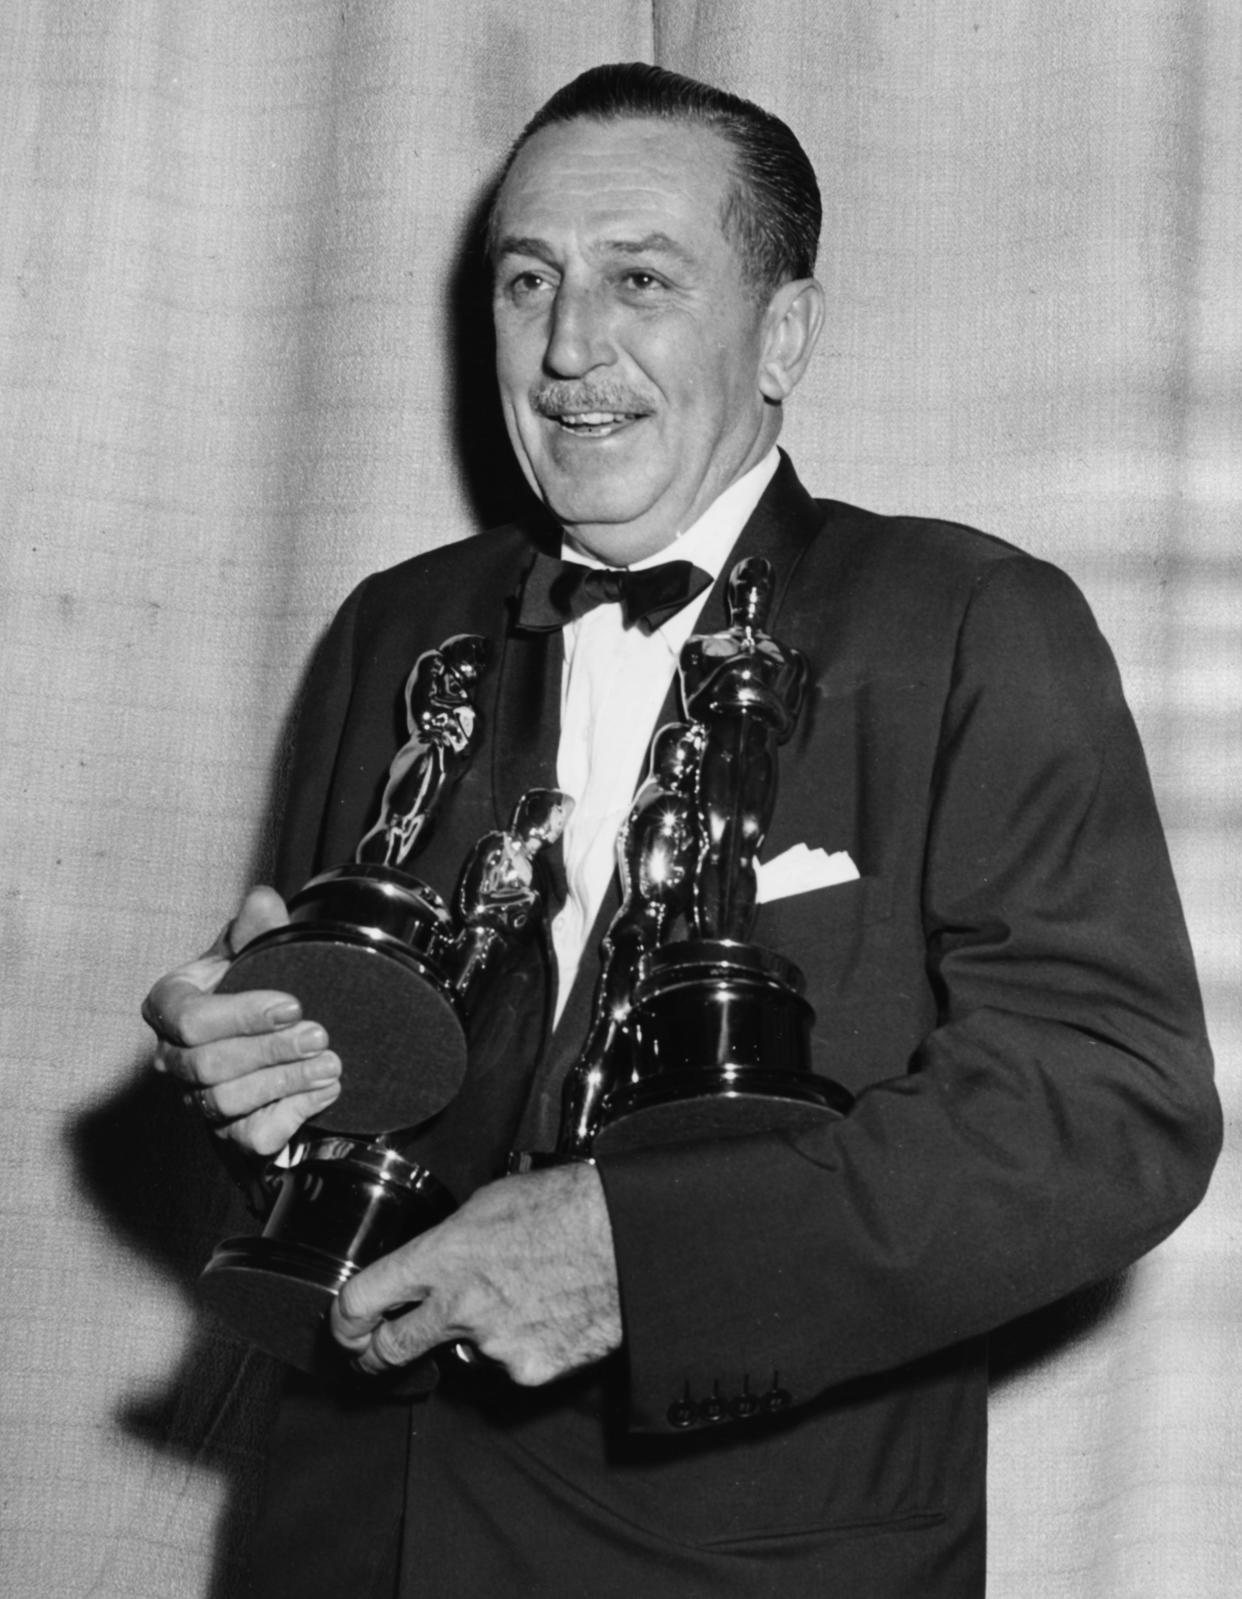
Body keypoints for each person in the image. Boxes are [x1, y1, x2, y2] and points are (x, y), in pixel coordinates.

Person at [142, 63, 1221, 1599]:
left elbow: (1103, 1113)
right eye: (530, 282)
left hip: (743, 1564)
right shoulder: (397, 628)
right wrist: (256, 1072)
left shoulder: (970, 619)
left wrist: (634, 1254)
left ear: (781, 334)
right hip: (344, 1544)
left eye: (640, 278)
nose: (571, 349)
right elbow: (343, 1136)